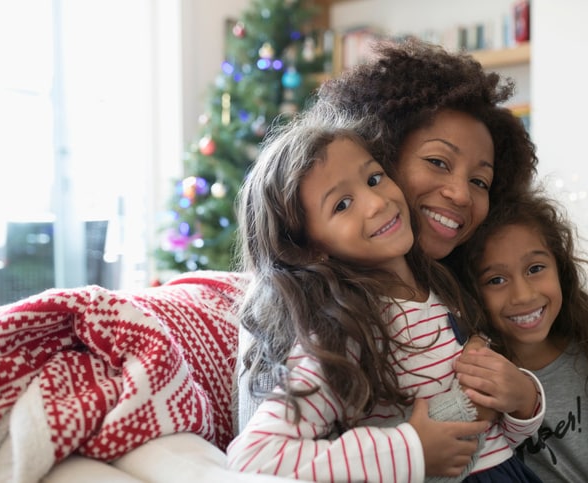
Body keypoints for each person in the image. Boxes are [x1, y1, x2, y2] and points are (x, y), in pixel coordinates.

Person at [237, 37, 588, 479]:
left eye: (480, 181)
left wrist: (527, 402)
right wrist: (439, 422)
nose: (461, 194)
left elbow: (576, 398)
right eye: (438, 162)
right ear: (383, 149)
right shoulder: (310, 311)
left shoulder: (464, 279)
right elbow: (264, 457)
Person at [227, 101, 546, 482]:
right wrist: (410, 449)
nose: (378, 203)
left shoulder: (439, 289)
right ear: (310, 247)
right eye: (342, 205)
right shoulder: (343, 327)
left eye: (374, 179)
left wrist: (523, 401)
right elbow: (254, 456)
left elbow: (492, 434)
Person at [459, 191, 588, 482]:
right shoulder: (477, 370)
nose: (523, 295)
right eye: (496, 280)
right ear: (472, 292)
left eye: (535, 269)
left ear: (561, 270)